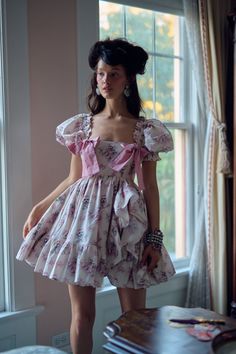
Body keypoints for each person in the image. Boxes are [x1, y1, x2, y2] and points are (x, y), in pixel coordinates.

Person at [16, 38, 175, 354]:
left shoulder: (145, 130)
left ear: (128, 78)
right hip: (83, 224)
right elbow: (75, 177)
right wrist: (40, 206)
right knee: (82, 316)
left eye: (114, 73)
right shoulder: (82, 126)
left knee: (134, 318)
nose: (106, 81)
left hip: (127, 224)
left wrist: (154, 238)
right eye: (101, 74)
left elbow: (150, 187)